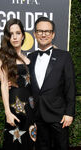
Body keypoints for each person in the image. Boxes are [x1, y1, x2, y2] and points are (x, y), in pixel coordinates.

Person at [28, 17, 76, 150]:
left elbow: (70, 86)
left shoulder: (64, 56)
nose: (44, 34)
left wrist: (69, 113)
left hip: (59, 116)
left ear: (53, 34)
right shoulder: (29, 58)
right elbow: (26, 83)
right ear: (35, 34)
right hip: (38, 116)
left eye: (47, 31)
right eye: (40, 31)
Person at [0, 18, 36, 150]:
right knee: (14, 143)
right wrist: (7, 112)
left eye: (18, 33)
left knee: (29, 143)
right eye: (11, 34)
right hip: (15, 109)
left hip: (30, 108)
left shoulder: (27, 58)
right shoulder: (4, 58)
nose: (14, 37)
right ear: (7, 37)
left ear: (23, 35)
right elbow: (3, 85)